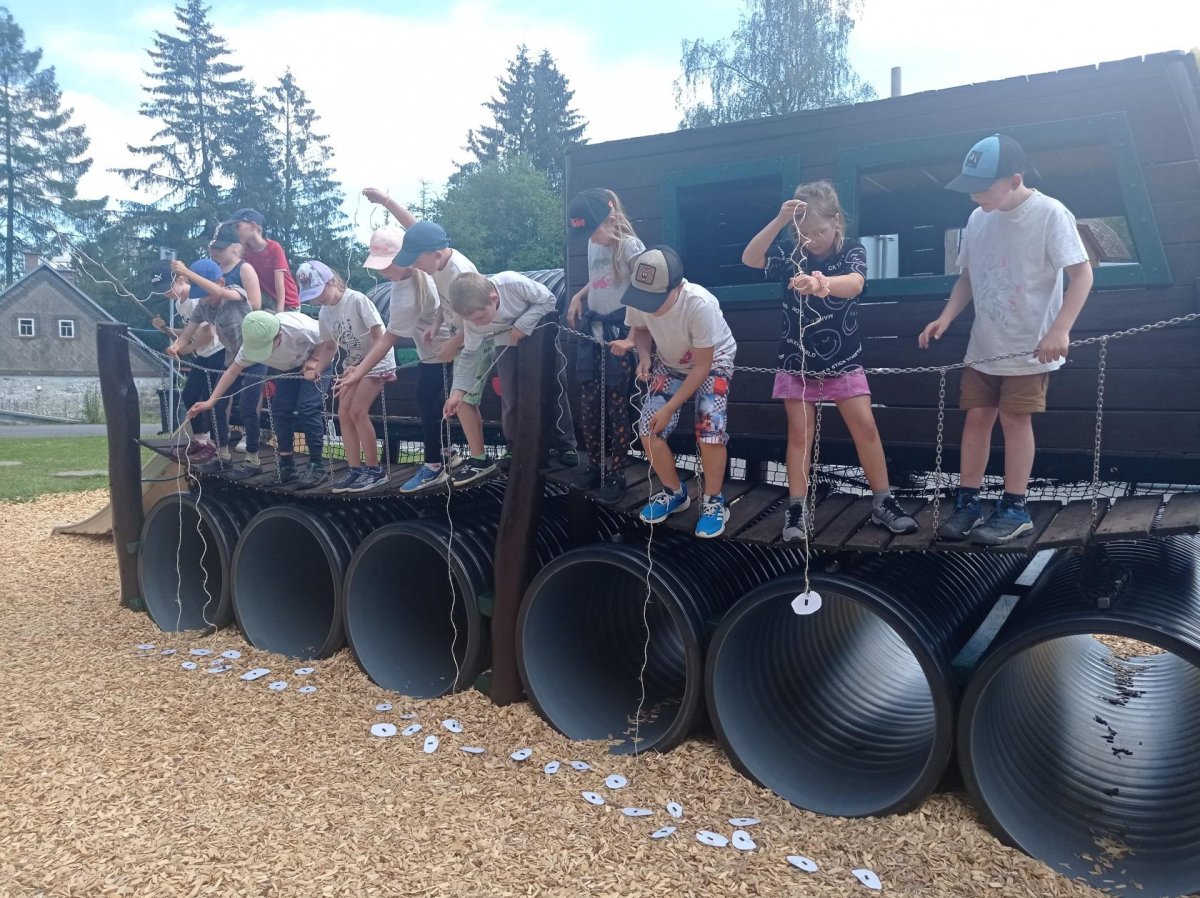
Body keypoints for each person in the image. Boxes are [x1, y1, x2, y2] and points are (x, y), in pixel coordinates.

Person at [920, 133, 1092, 545]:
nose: (974, 196)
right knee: (977, 418)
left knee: (1015, 421)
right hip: (984, 346)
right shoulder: (978, 218)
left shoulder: (1050, 213)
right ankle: (967, 503)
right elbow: (967, 278)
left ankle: (1015, 508)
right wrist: (945, 317)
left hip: (1030, 347)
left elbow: (1082, 274)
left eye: (982, 187)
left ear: (1015, 180)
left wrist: (1060, 329)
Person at [742, 179, 918, 541]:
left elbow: (854, 283)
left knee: (865, 427)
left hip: (844, 360)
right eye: (804, 234)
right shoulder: (790, 253)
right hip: (796, 363)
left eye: (819, 231)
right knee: (799, 435)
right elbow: (750, 258)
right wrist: (780, 220)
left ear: (836, 221)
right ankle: (796, 508)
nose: (812, 240)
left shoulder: (852, 250)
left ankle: (883, 501)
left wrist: (820, 284)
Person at [363, 188, 498, 484]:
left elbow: (475, 317)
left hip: (474, 337)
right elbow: (416, 229)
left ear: (434, 254)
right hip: (457, 335)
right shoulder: (435, 259)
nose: (415, 266)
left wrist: (453, 342)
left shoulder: (458, 271)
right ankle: (458, 456)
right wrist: (386, 201)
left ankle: (477, 460)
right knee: (444, 397)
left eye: (417, 261)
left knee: (463, 398)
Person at [609, 246, 737, 539]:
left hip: (713, 362)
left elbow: (702, 367)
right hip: (668, 363)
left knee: (710, 431)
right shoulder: (640, 295)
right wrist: (643, 356)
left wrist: (669, 409)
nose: (649, 306)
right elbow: (640, 330)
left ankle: (714, 501)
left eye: (656, 299)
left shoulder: (700, 304)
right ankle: (674, 493)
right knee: (647, 429)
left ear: (677, 287)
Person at [339, 228, 458, 493]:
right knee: (431, 399)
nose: (382, 272)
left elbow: (386, 340)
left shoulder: (408, 292)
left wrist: (359, 372)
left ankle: (434, 465)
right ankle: (445, 451)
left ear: (403, 258)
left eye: (386, 264)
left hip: (443, 351)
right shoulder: (421, 273)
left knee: (428, 400)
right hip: (436, 350)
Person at [443, 271, 577, 472]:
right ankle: (514, 447)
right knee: (510, 396)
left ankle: (566, 445)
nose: (478, 323)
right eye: (471, 320)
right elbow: (469, 355)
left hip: (542, 338)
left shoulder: (512, 283)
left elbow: (549, 299)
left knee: (556, 389)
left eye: (480, 317)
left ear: (494, 298)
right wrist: (457, 393)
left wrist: (523, 323)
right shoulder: (472, 321)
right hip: (506, 344)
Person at [188, 310, 331, 489]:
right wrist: (211, 401)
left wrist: (315, 361)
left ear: (279, 336)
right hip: (288, 367)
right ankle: (286, 466)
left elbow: (328, 340)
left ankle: (317, 466)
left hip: (319, 360)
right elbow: (232, 371)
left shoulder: (300, 328)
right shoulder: (249, 345)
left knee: (308, 408)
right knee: (279, 409)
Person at [566, 188, 645, 504]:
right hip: (593, 332)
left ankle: (617, 472)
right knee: (588, 402)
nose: (591, 237)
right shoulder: (592, 243)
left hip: (619, 333)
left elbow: (645, 287)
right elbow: (601, 277)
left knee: (616, 404)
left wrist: (632, 338)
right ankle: (595, 464)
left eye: (593, 230)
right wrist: (579, 295)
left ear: (609, 218)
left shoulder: (630, 246)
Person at [298, 260, 396, 493]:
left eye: (318, 292)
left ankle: (375, 471)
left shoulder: (356, 300)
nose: (316, 299)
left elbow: (379, 338)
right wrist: (318, 368)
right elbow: (330, 347)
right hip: (352, 366)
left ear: (332, 281)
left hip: (377, 361)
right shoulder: (324, 312)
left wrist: (361, 366)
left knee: (357, 411)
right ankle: (355, 469)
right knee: (343, 413)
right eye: (311, 296)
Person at [166, 257, 264, 479]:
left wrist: (186, 273)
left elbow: (219, 293)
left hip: (256, 356)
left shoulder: (235, 292)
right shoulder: (203, 305)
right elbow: (189, 332)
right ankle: (222, 457)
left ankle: (253, 459)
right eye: (200, 295)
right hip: (234, 360)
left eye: (206, 293)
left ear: (221, 282)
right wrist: (177, 346)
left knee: (248, 406)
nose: (205, 299)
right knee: (217, 404)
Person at [149, 260, 223, 456]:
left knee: (211, 398)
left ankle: (217, 442)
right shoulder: (179, 304)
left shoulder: (195, 300)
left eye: (168, 287)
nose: (166, 293)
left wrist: (187, 349)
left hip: (218, 351)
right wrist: (165, 329)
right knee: (190, 394)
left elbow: (209, 332)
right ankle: (200, 439)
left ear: (181, 280)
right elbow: (189, 331)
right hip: (203, 353)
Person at [230, 208, 299, 311]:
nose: (235, 232)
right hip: (267, 303)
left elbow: (279, 283)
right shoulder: (245, 252)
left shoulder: (274, 248)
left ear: (253, 226)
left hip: (287, 303)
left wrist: (280, 312)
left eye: (237, 227)